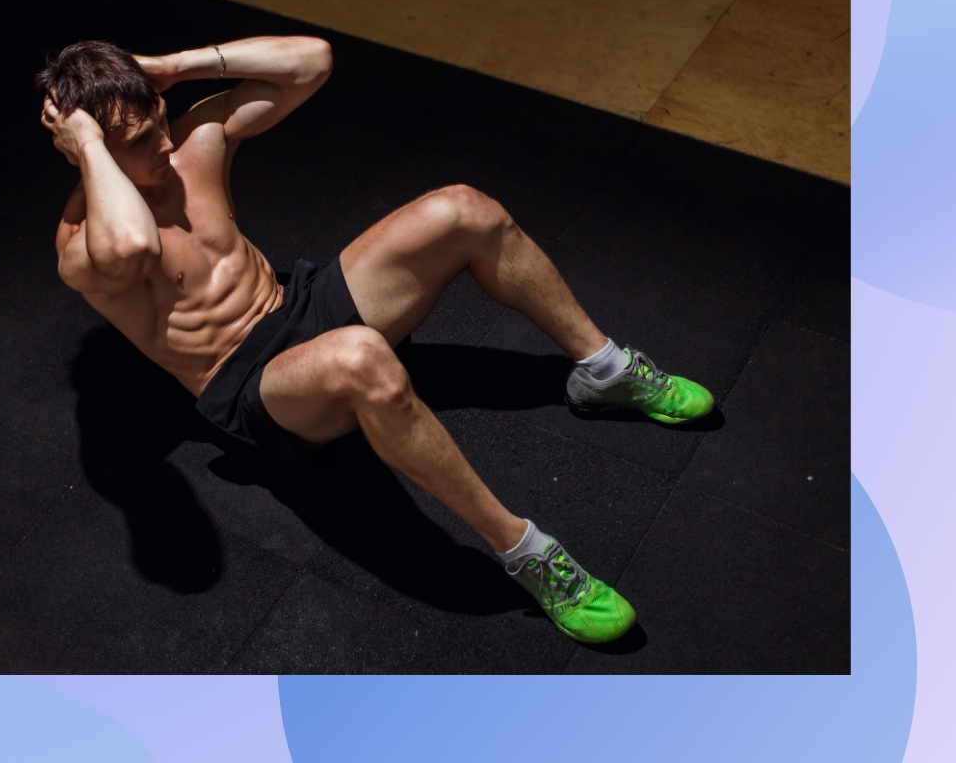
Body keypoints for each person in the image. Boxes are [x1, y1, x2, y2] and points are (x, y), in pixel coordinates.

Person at [37, 36, 714, 644]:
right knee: (363, 359)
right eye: (136, 141)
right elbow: (131, 240)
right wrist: (93, 145)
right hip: (253, 389)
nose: (161, 145)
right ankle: (528, 552)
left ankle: (604, 369)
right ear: (81, 145)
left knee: (463, 209)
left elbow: (312, 62)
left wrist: (174, 67)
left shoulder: (190, 146)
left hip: (299, 305)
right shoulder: (84, 245)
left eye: (158, 122)